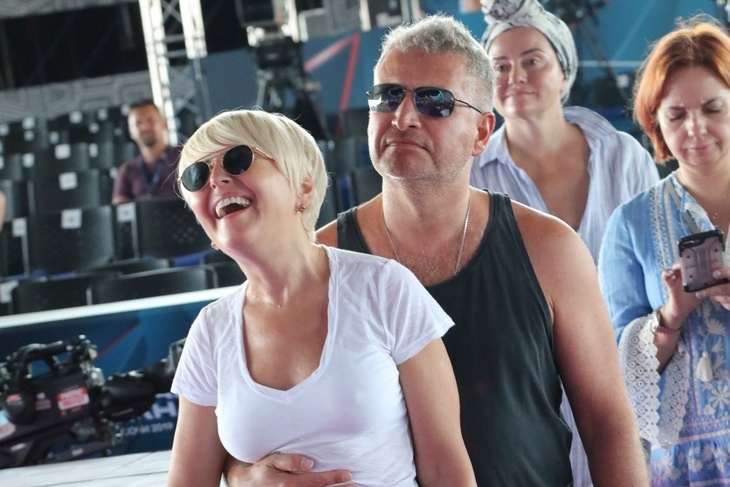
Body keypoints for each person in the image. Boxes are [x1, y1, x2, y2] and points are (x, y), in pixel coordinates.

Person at [224, 14, 649, 486]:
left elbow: (607, 423)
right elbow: (244, 426)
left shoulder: (549, 250)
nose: (403, 117)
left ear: (482, 133)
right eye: (388, 97)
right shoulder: (317, 260)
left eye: (435, 102)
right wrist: (245, 477)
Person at [167, 109, 476, 487]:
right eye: (197, 175)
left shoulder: (383, 287)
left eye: (238, 159)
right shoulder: (211, 331)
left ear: (303, 189)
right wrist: (242, 481)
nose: (215, 178)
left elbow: (447, 471)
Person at [470, 1, 659, 484]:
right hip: (527, 398)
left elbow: (657, 269)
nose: (515, 76)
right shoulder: (471, 177)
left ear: (564, 72)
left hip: (629, 383)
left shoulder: (622, 155)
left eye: (532, 60)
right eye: (499, 66)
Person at [598, 18, 730, 485]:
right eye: (676, 116)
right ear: (656, 124)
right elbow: (616, 368)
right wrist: (670, 316)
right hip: (689, 465)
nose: (696, 129)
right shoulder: (630, 224)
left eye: (712, 108)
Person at [111, 99, 180, 204]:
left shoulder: (183, 156)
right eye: (138, 123)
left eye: (150, 120)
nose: (145, 127)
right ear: (131, 132)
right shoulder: (126, 171)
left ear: (164, 124)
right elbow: (119, 208)